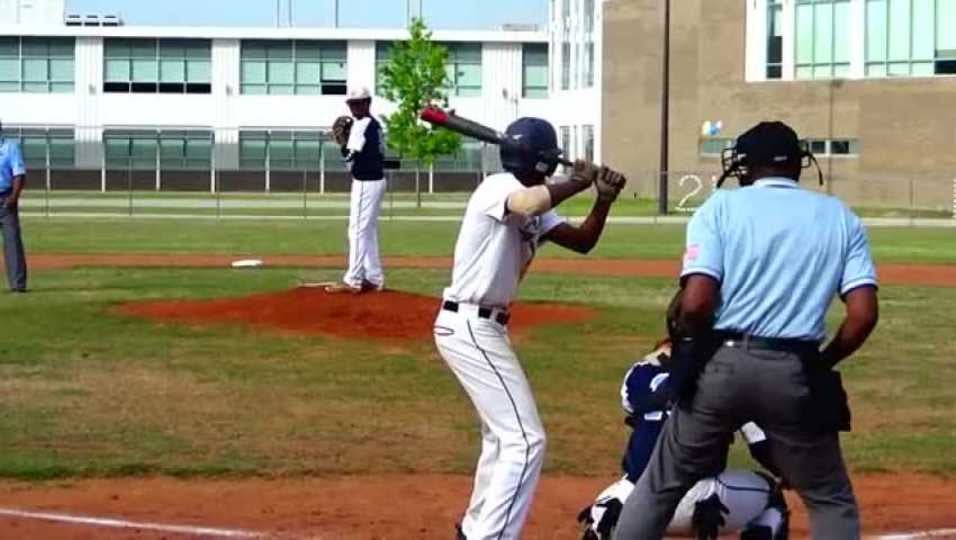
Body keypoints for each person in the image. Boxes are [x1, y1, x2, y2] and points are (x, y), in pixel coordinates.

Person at [613, 121, 879, 540]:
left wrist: (692, 349)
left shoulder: (719, 208)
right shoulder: (839, 216)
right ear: (798, 164)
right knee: (829, 497)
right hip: (794, 368)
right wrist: (820, 361)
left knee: (660, 486)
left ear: (744, 166)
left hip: (722, 362)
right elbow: (862, 316)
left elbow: (697, 301)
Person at [433, 117, 626, 540]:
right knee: (525, 440)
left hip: (484, 327)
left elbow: (583, 241)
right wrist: (577, 181)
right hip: (469, 323)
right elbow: (527, 205)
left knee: (502, 438)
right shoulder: (497, 188)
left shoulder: (536, 197)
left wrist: (603, 199)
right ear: (541, 159)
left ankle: (475, 528)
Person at [577, 338, 788, 540]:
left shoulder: (638, 375)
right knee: (772, 495)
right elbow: (760, 445)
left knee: (603, 509)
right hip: (702, 504)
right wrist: (789, 473)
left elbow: (632, 406)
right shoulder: (728, 379)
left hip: (635, 504)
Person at [326, 87, 387, 294]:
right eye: (351, 103)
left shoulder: (362, 125)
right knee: (367, 231)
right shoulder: (374, 124)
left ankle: (353, 278)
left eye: (357, 103)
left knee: (357, 231)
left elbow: (350, 159)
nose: (353, 107)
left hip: (366, 182)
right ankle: (374, 276)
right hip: (374, 180)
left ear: (367, 102)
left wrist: (343, 145)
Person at [0, 121, 27, 293]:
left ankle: (18, 285)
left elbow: (19, 174)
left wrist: (13, 197)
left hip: (5, 199)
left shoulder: (10, 148)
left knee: (12, 243)